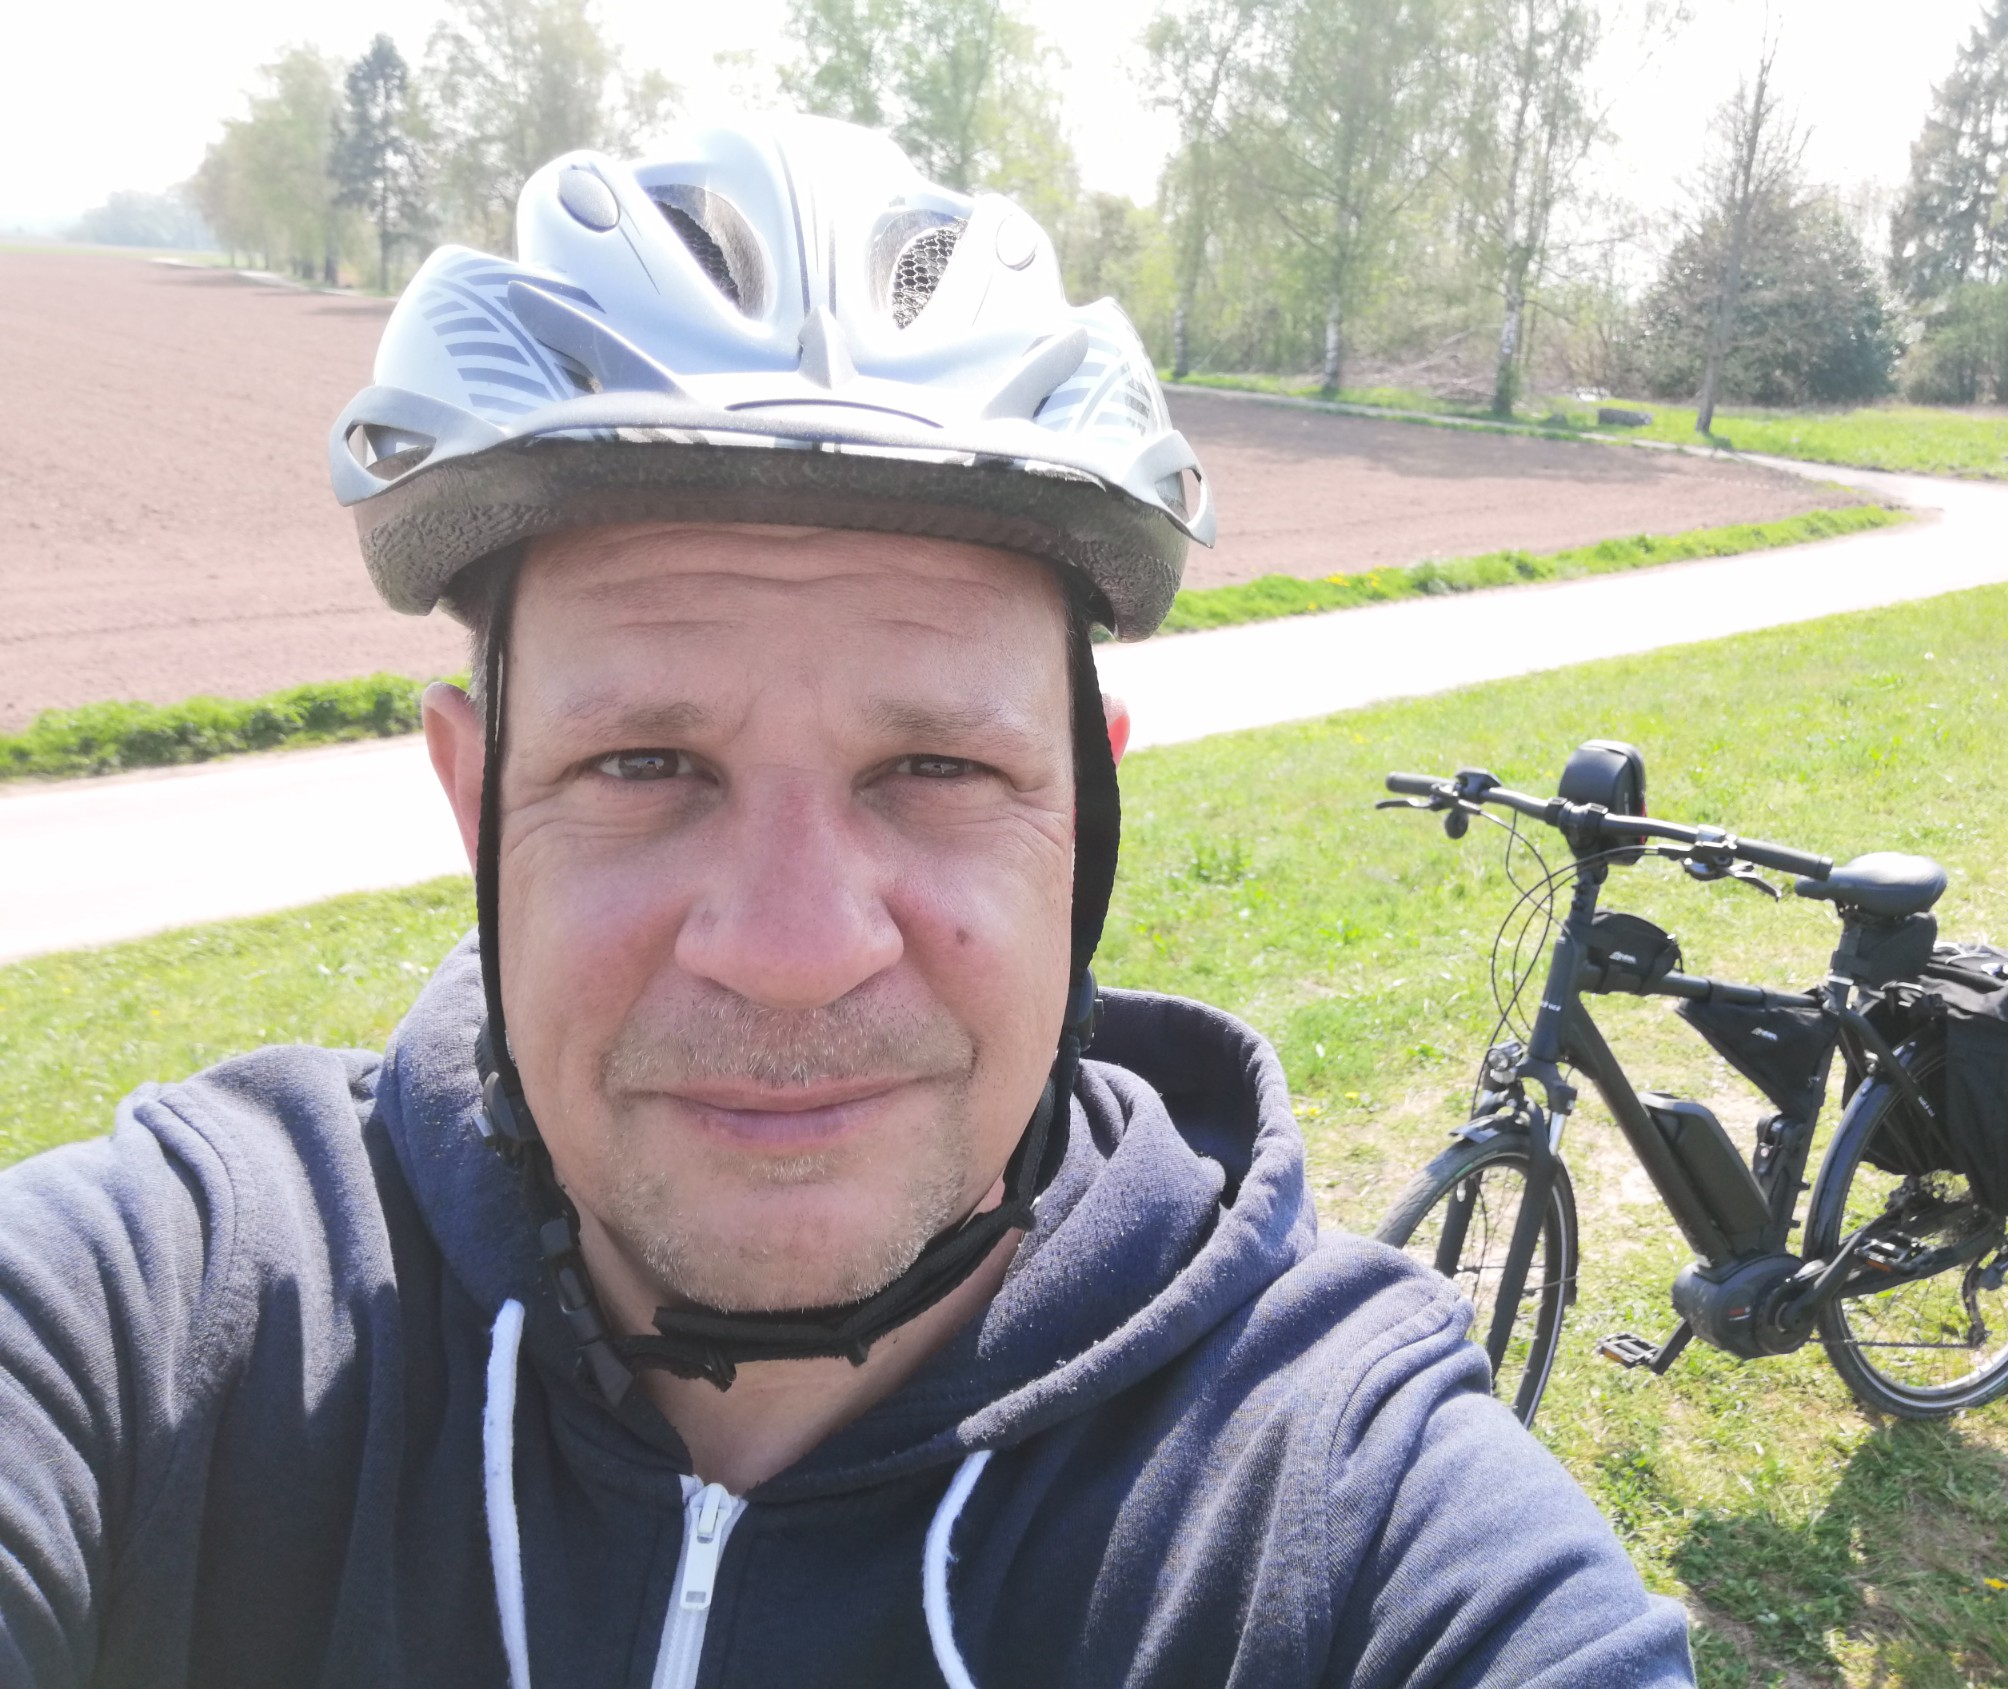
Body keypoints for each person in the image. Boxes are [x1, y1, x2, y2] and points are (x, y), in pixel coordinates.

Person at [0, 117, 1693, 1687]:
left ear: (1084, 809)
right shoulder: (187, 1315)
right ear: (476, 802)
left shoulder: (1330, 1495)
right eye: (645, 762)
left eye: (935, 766)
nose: (796, 953)